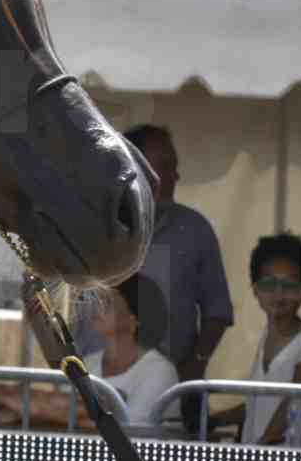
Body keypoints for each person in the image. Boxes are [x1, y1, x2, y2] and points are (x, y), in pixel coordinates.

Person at [74, 125, 233, 432]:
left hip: (172, 396)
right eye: (166, 167)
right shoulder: (91, 230)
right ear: (130, 168)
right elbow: (63, 309)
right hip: (93, 390)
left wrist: (192, 369)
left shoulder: (194, 230)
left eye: (173, 167)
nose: (175, 176)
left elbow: (218, 312)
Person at [0, 274, 178, 430]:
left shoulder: (159, 372)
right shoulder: (89, 363)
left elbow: (126, 428)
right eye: (97, 300)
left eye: (107, 302)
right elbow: (63, 412)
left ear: (134, 318)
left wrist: (26, 408)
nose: (97, 307)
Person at [211, 233, 301, 446]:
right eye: (269, 284)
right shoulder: (266, 338)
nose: (279, 294)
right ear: (255, 289)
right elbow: (258, 404)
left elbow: (294, 399)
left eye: (289, 285)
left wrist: (259, 450)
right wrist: (213, 420)